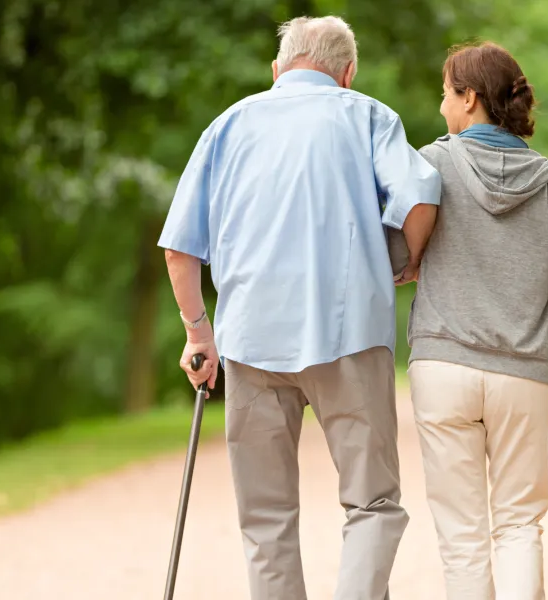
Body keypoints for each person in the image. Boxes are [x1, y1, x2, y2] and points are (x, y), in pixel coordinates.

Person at [157, 15, 440, 600]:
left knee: (265, 518)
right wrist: (408, 259)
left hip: (250, 341)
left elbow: (180, 248)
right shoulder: (367, 116)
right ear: (348, 72)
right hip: (350, 335)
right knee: (372, 503)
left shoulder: (228, 125)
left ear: (276, 69)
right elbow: (419, 197)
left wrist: (198, 333)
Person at [404, 42, 548, 600]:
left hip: (443, 367)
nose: (441, 105)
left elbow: (394, 247)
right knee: (518, 525)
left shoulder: (430, 163)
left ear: (470, 98)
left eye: (446, 93)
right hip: (523, 376)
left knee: (462, 536)